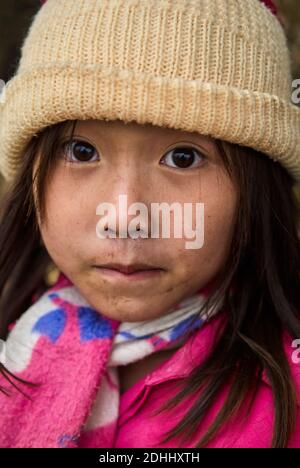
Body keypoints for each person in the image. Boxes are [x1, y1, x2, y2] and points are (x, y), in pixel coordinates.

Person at [0, 0, 299, 448]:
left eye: (183, 157)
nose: (124, 218)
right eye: (81, 151)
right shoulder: (15, 341)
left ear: (256, 190)